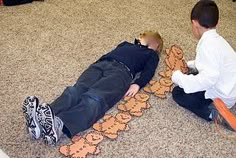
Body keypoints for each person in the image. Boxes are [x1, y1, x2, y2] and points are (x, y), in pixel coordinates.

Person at [22, 31, 163, 146]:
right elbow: (109, 53)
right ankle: (42, 120)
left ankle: (59, 124)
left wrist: (138, 83)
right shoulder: (125, 44)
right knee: (75, 90)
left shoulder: (151, 54)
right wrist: (97, 63)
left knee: (94, 99)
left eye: (143, 36)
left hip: (121, 74)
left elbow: (149, 71)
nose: (139, 36)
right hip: (100, 65)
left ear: (154, 45)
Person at [171, 0, 236, 131]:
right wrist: (190, 64)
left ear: (194, 24)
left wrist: (177, 77)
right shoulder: (217, 41)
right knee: (191, 76)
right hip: (230, 85)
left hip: (222, 97)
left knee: (178, 92)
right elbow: (211, 63)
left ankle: (214, 113)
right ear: (217, 24)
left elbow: (207, 80)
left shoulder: (207, 46)